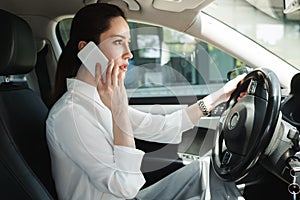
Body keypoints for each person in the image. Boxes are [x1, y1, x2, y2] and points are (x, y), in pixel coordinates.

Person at [46, 3, 246, 200]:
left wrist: (220, 96)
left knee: (209, 170)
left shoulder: (98, 100)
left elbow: (162, 127)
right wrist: (119, 111)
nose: (129, 53)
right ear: (86, 50)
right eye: (118, 42)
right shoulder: (70, 115)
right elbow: (126, 187)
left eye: (128, 42)